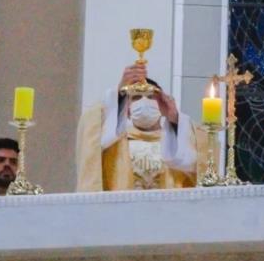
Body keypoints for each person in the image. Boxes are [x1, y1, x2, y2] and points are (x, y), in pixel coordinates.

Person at [76, 63, 199, 191]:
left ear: (163, 104)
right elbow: (91, 141)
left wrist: (175, 120)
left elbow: (198, 164)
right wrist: (118, 93)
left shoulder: (175, 144)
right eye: (136, 97)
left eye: (151, 96)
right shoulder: (113, 142)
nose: (144, 101)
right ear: (126, 109)